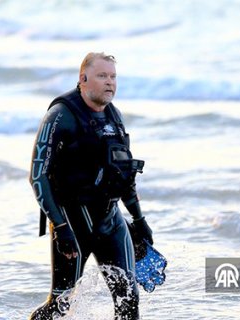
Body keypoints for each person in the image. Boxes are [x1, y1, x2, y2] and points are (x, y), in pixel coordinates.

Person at [28, 52, 153, 320]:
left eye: (113, 76)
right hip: (72, 223)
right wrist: (60, 228)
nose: (110, 82)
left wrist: (139, 220)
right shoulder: (60, 115)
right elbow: (37, 176)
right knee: (60, 304)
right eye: (102, 76)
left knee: (128, 300)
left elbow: (124, 174)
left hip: (111, 221)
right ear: (83, 79)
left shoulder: (114, 117)